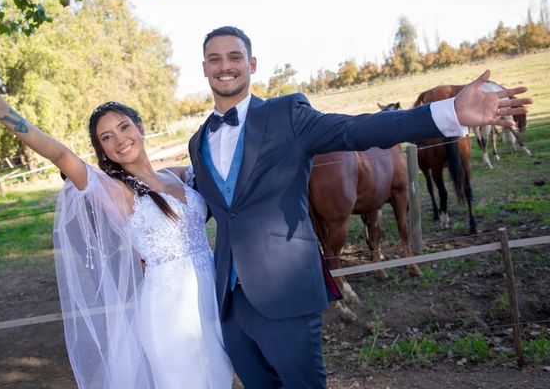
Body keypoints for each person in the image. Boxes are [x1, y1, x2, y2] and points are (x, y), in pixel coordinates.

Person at [188, 25, 532, 389]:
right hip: (229, 304)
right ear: (205, 68)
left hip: (286, 295)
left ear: (252, 63)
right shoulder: (198, 143)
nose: (225, 66)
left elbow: (358, 129)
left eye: (234, 57)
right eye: (215, 59)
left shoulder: (287, 114)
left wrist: (449, 112)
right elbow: (214, 205)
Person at [0, 85, 233, 389]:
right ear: (103, 150)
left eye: (123, 127)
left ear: (140, 127)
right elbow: (59, 154)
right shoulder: (115, 191)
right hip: (169, 312)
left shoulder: (176, 175)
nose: (119, 139)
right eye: (107, 137)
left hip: (211, 299)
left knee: (219, 378)